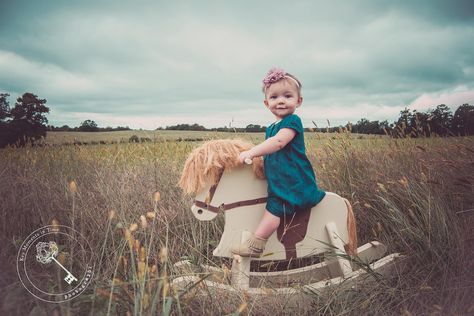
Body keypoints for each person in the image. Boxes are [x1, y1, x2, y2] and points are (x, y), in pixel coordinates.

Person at [231, 67, 326, 257]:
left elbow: (278, 143)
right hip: (279, 180)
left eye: (287, 96)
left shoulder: (292, 121)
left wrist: (252, 152)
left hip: (293, 181)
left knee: (275, 209)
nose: (281, 101)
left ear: (299, 101)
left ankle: (256, 245)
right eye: (274, 97)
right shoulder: (271, 127)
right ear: (266, 103)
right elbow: (270, 148)